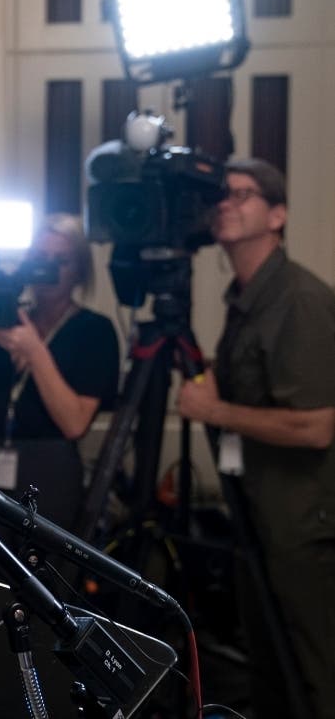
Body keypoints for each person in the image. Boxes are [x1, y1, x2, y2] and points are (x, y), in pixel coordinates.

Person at [176, 158, 335, 719]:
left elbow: (317, 425)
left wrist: (215, 408)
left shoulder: (298, 298)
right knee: (268, 668)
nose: (227, 203)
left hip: (299, 523)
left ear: (278, 214)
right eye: (222, 195)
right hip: (257, 517)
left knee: (313, 671)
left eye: (244, 194)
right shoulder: (246, 299)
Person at [0, 213, 120, 529]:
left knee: (44, 570)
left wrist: (35, 351)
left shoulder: (94, 331)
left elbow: (74, 424)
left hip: (49, 471)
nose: (48, 269)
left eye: (62, 260)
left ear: (79, 272)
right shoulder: (5, 319)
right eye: (39, 258)